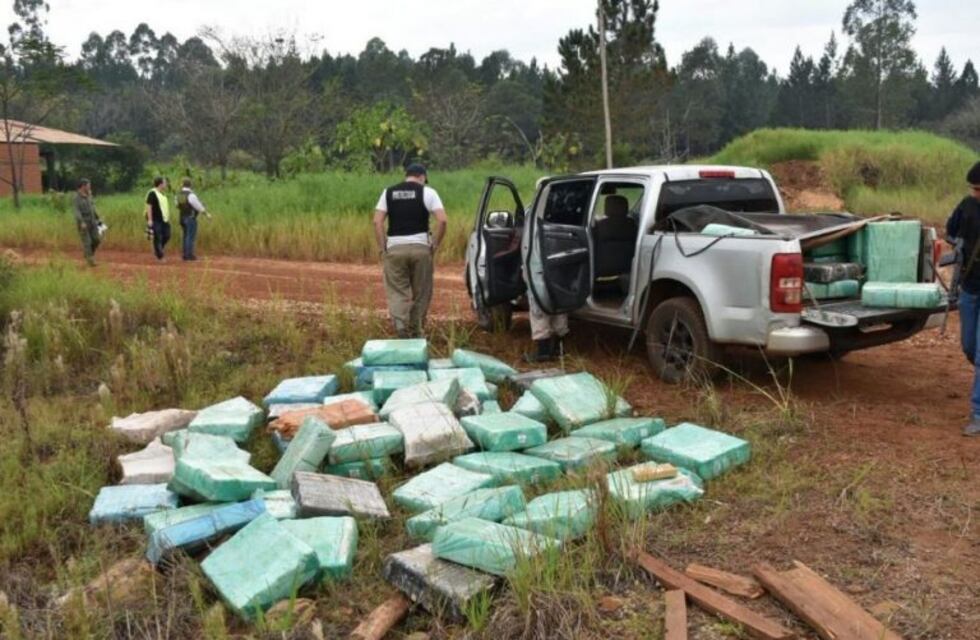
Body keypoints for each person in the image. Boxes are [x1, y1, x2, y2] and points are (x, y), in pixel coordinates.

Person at [373, 163, 448, 338]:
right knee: (422, 291)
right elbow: (442, 221)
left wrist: (383, 247)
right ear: (422, 177)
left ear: (407, 176)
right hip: (421, 249)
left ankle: (401, 327)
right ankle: (416, 329)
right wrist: (434, 245)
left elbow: (377, 222)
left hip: (395, 249)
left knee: (397, 291)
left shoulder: (388, 192)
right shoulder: (428, 192)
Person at [946, 160, 980, 437]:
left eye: (979, 189)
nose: (975, 193)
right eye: (973, 188)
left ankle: (978, 412)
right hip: (969, 288)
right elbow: (950, 230)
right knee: (969, 347)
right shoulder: (966, 206)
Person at [176, 177, 211, 261]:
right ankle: (189, 256)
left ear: (182, 184)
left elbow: (177, 205)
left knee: (185, 236)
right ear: (190, 185)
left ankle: (185, 255)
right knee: (190, 237)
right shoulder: (191, 195)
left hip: (182, 217)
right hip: (190, 218)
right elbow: (198, 206)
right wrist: (206, 214)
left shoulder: (178, 195)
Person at [72, 178, 102, 267]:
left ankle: (88, 254)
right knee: (87, 242)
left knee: (96, 240)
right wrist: (81, 222)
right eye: (88, 185)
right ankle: (90, 260)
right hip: (83, 223)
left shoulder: (89, 196)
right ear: (83, 186)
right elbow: (77, 211)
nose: (89, 187)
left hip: (92, 222)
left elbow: (93, 208)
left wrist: (98, 217)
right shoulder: (76, 198)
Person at [145, 177, 171, 261]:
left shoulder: (162, 194)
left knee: (167, 235)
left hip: (164, 220)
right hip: (156, 219)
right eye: (164, 183)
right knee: (157, 237)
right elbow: (149, 206)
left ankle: (158, 250)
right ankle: (160, 256)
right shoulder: (152, 193)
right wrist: (150, 219)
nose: (166, 184)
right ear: (160, 184)